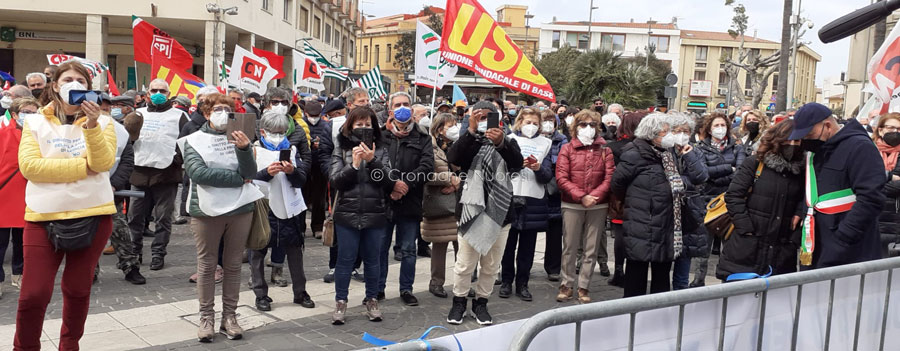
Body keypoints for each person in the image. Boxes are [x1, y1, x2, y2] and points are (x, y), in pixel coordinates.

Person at [15, 61, 118, 349]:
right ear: (56, 85)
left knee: (77, 289)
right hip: (42, 215)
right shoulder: (34, 121)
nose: (74, 83)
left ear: (88, 87)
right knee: (33, 293)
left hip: (93, 214)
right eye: (68, 79)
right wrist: (80, 168)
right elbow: (30, 167)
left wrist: (93, 125)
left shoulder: (105, 122)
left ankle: (69, 344)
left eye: (80, 80)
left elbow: (102, 163)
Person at [181, 93, 260, 342]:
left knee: (233, 265)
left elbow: (251, 172)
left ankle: (230, 316)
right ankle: (206, 317)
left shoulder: (242, 138)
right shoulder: (193, 140)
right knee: (207, 265)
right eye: (217, 108)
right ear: (206, 113)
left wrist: (245, 149)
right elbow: (199, 173)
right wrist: (237, 180)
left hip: (239, 210)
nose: (222, 112)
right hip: (205, 211)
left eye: (227, 108)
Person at [446, 101, 523, 326]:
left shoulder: (509, 141)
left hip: (499, 213)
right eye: (479, 116)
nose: (484, 120)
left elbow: (517, 164)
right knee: (464, 264)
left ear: (498, 119)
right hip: (471, 211)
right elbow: (454, 158)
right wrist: (470, 130)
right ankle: (459, 302)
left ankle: (481, 303)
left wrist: (500, 143)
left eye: (489, 116)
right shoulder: (469, 140)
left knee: (490, 265)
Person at [788, 103, 885, 268]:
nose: (806, 140)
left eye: (809, 134)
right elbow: (814, 189)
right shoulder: (818, 150)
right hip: (818, 241)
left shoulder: (860, 147)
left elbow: (871, 198)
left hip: (849, 247)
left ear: (827, 126)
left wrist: (844, 237)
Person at [330, 107, 394, 325]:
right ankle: (341, 301)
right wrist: (355, 165)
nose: (363, 128)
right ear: (350, 126)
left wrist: (372, 160)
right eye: (359, 125)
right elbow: (336, 180)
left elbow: (387, 181)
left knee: (373, 260)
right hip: (347, 213)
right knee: (345, 260)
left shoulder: (382, 149)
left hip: (375, 212)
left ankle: (372, 299)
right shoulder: (341, 146)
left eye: (367, 124)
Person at [717, 121, 804, 279]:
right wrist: (746, 228)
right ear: (776, 140)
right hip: (747, 248)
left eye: (796, 141)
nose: (791, 145)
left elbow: (804, 200)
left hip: (781, 250)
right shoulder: (755, 163)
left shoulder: (802, 171)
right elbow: (733, 195)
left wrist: (793, 240)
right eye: (787, 139)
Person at [610, 113, 683, 297]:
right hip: (641, 221)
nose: (669, 136)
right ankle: (632, 317)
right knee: (636, 273)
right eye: (665, 132)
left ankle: (658, 317)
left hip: (665, 222)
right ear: (652, 134)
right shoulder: (634, 153)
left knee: (661, 276)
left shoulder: (667, 154)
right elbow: (617, 184)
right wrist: (639, 202)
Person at [249, 111, 315, 312]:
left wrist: (292, 172)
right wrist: (266, 173)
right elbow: (247, 178)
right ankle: (261, 294)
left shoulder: (292, 150)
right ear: (263, 131)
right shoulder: (253, 150)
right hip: (262, 206)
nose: (278, 136)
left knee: (295, 250)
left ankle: (300, 291)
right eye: (274, 132)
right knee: (258, 251)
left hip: (290, 207)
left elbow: (302, 179)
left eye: (282, 132)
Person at [128, 78, 189, 271]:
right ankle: (135, 252)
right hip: (139, 172)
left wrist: (176, 160)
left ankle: (158, 254)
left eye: (162, 91)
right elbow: (124, 140)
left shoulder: (180, 116)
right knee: (134, 217)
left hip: (166, 174)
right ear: (147, 94)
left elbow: (187, 142)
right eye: (154, 90)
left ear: (169, 94)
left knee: (163, 218)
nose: (158, 94)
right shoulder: (137, 113)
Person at [379, 95, 434, 306]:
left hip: (410, 201)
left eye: (406, 104)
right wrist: (391, 185)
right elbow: (375, 164)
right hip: (384, 200)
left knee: (409, 249)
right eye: (397, 105)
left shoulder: (422, 137)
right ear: (390, 110)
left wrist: (405, 185)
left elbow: (427, 167)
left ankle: (406, 289)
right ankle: (378, 287)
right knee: (380, 248)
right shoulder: (381, 135)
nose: (402, 108)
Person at [555, 110, 614, 303]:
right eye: (583, 124)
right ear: (575, 126)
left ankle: (584, 286)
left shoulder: (605, 150)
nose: (587, 128)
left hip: (597, 204)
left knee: (591, 248)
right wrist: (581, 196)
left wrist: (595, 196)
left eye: (592, 124)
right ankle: (566, 284)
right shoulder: (567, 148)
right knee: (569, 247)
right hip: (572, 204)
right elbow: (561, 177)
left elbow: (609, 177)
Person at [499, 107, 553, 302]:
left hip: (533, 199)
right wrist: (516, 163)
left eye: (535, 123)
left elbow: (548, 176)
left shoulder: (546, 143)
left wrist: (538, 168)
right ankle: (506, 281)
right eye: (528, 122)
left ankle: (523, 283)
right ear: (520, 122)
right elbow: (499, 169)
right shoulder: (508, 140)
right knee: (508, 244)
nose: (531, 126)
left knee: (527, 247)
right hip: (510, 197)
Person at [691, 112, 745, 287]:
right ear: (709, 128)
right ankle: (698, 281)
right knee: (703, 246)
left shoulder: (737, 147)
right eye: (716, 125)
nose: (720, 129)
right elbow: (703, 173)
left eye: (723, 125)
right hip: (707, 201)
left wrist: (720, 171)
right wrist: (729, 168)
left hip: (729, 202)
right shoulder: (700, 148)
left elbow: (742, 172)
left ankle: (727, 280)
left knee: (729, 246)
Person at [667, 114, 710, 290]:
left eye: (686, 131)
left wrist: (689, 157)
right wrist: (685, 181)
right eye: (678, 131)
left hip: (690, 210)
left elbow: (701, 177)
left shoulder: (695, 151)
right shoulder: (665, 151)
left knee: (685, 254)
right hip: (669, 209)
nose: (682, 134)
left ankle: (680, 290)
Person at [0, 97, 37, 294]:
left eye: (34, 113)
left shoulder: (41, 135)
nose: (30, 117)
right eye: (26, 113)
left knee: (24, 242)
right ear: (14, 114)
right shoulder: (2, 133)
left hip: (29, 194)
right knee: (0, 243)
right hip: (4, 195)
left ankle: (19, 274)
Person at [423, 112, 462, 298]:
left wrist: (457, 183)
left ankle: (462, 283)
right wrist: (447, 179)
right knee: (440, 244)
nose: (455, 128)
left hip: (459, 202)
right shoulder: (428, 147)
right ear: (439, 129)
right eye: (450, 125)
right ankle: (436, 282)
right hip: (439, 204)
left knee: (461, 246)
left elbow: (470, 170)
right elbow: (424, 174)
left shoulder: (459, 146)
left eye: (456, 124)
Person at [606, 112, 646, 287]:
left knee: (620, 234)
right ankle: (631, 270)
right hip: (640, 197)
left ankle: (619, 270)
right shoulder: (644, 147)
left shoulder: (614, 147)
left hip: (619, 198)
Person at [539, 109, 568, 282]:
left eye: (551, 120)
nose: (548, 123)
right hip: (535, 190)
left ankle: (553, 268)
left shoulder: (562, 140)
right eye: (544, 120)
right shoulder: (530, 139)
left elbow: (564, 163)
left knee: (555, 234)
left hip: (554, 193)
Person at [301, 100, 334, 240]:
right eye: (311, 115)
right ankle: (300, 227)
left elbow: (329, 144)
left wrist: (320, 145)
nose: (314, 118)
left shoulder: (326, 125)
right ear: (305, 113)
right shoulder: (300, 124)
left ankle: (318, 226)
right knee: (302, 196)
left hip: (320, 165)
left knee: (319, 198)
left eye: (317, 115)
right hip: (304, 165)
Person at [875, 113, 900, 256]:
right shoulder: (868, 150)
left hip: (896, 224)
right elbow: (861, 180)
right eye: (891, 128)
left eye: (899, 129)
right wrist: (890, 176)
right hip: (871, 220)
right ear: (880, 130)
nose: (896, 132)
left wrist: (874, 186)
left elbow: (869, 183)